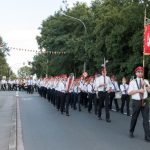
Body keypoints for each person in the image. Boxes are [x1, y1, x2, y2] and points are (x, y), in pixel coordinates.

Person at [128, 66, 150, 142]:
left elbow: (149, 91)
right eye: (139, 72)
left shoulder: (146, 81)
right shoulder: (132, 82)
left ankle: (147, 136)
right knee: (134, 117)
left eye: (141, 72)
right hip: (136, 101)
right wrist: (138, 90)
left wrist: (146, 85)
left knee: (146, 120)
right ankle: (131, 131)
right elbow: (129, 92)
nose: (140, 73)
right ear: (136, 73)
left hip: (145, 101)